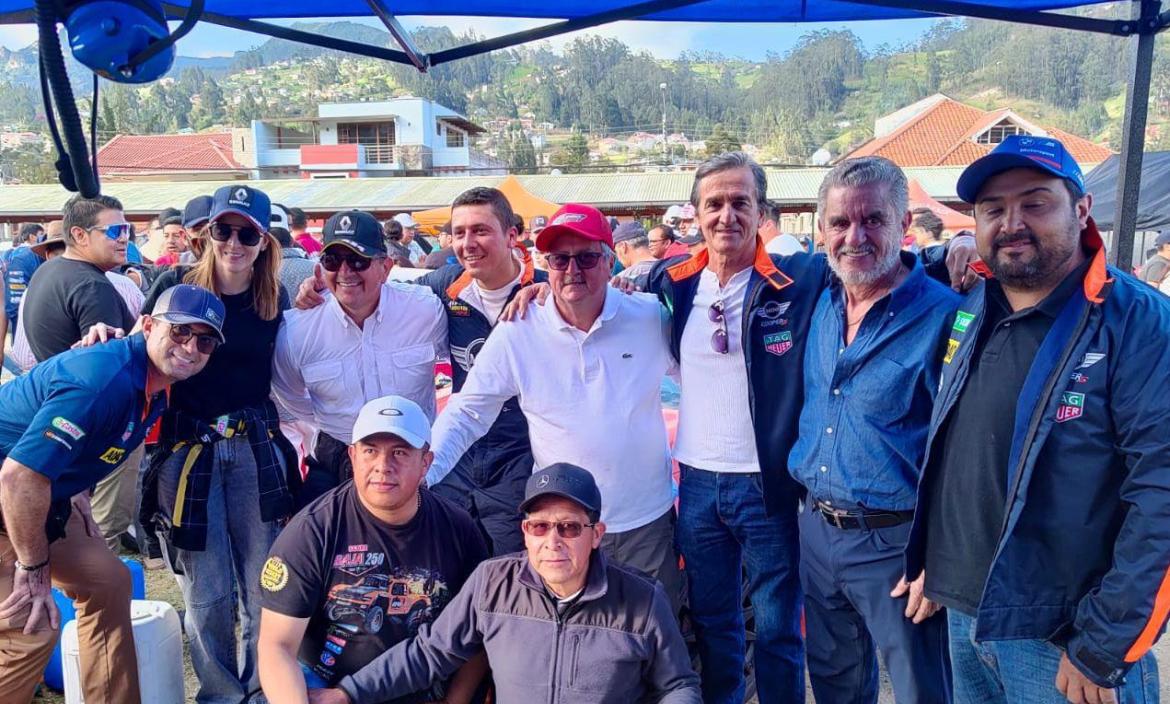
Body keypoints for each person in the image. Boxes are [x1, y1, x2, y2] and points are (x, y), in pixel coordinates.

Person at [638, 151, 978, 704]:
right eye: (714, 204)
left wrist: (957, 249)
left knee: (778, 631)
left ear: (761, 211)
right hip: (699, 484)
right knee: (714, 622)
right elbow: (598, 292)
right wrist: (530, 293)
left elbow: (889, 266)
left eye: (740, 202)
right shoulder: (671, 283)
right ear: (695, 215)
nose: (727, 216)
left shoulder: (799, 279)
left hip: (770, 484)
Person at [905, 135, 1168, 704]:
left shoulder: (1139, 322)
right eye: (993, 209)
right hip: (966, 616)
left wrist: (1106, 644)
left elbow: (1163, 494)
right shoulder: (977, 305)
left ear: (1080, 209)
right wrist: (933, 558)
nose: (1011, 223)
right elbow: (961, 446)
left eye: (1035, 202)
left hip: (1064, 639)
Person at [428, 203, 683, 606]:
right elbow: (467, 412)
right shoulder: (519, 330)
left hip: (643, 521)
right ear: (547, 263)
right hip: (562, 530)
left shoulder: (649, 316)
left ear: (610, 261)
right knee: (570, 643)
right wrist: (424, 471)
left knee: (654, 639)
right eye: (560, 259)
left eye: (587, 257)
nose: (572, 269)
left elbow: (699, 379)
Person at [311, 463, 702, 704]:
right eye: (540, 526)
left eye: (568, 527)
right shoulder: (491, 583)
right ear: (525, 532)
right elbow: (428, 653)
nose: (553, 541)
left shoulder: (643, 601)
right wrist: (349, 693)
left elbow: (678, 685)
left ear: (596, 534)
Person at [0, 284, 224, 704]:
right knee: (31, 627)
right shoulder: (104, 379)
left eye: (205, 340)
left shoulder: (154, 381)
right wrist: (34, 568)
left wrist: (76, 489)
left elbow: (75, 447)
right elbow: (18, 478)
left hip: (40, 498)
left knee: (108, 581)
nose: (191, 348)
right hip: (13, 496)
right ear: (148, 324)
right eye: (180, 332)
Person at [295, 187, 548, 557]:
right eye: (459, 232)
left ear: (513, 235)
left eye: (480, 230)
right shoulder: (443, 289)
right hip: (457, 450)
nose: (467, 243)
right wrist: (323, 284)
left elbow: (606, 297)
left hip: (522, 451)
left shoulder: (550, 290)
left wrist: (560, 289)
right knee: (443, 556)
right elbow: (382, 288)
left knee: (510, 563)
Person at [788, 157, 958, 702]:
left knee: (920, 688)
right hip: (816, 531)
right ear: (822, 231)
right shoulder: (818, 300)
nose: (854, 236)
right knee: (835, 682)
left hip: (897, 546)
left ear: (903, 223)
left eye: (873, 220)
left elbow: (961, 448)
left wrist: (939, 554)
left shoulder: (947, 317)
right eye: (840, 223)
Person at [140, 184, 298, 704]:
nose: (233, 242)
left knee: (262, 583)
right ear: (207, 233)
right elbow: (140, 344)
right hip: (188, 454)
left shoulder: (275, 295)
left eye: (245, 233)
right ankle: (220, 695)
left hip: (255, 449)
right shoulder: (174, 284)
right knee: (206, 592)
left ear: (263, 240)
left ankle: (260, 690)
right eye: (223, 230)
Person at [258, 395, 489, 704]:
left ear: (426, 462)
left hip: (423, 690)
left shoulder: (460, 530)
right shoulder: (312, 531)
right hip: (325, 689)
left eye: (400, 452)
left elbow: (476, 636)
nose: (383, 466)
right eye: (370, 451)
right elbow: (276, 646)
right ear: (352, 457)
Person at [272, 210, 447, 503]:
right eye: (332, 260)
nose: (345, 271)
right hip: (336, 454)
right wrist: (328, 421)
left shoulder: (425, 311)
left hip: (413, 455)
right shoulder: (297, 329)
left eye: (358, 260)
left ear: (385, 267)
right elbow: (288, 392)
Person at [21, 195, 135, 363]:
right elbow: (108, 369)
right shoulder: (92, 286)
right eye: (115, 230)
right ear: (80, 235)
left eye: (126, 229)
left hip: (58, 383)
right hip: (83, 386)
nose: (124, 238)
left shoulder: (47, 269)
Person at [2, 222, 44, 334]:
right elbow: (16, 299)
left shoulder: (10, 254)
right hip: (26, 321)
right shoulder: (27, 256)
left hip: (18, 314)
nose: (43, 239)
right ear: (32, 236)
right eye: (41, 234)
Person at [613, 221, 657, 288]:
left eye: (616, 252)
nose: (618, 259)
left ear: (623, 247)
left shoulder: (622, 280)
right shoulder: (666, 268)